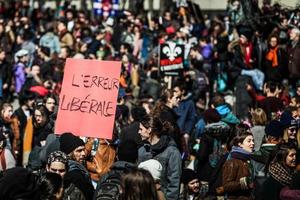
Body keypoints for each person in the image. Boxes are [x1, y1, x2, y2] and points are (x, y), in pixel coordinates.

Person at [138, 115, 182, 200]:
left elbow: (174, 182)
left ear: (149, 130)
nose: (138, 132)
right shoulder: (142, 151)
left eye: (141, 129)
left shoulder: (172, 152)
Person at [216, 130, 254, 199]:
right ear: (240, 144)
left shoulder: (247, 160)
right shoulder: (232, 162)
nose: (252, 143)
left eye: (253, 140)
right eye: (249, 141)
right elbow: (226, 185)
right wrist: (244, 183)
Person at [59, 132, 94, 200]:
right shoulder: (75, 175)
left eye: (84, 150)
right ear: (69, 153)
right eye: (79, 151)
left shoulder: (77, 168)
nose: (83, 153)